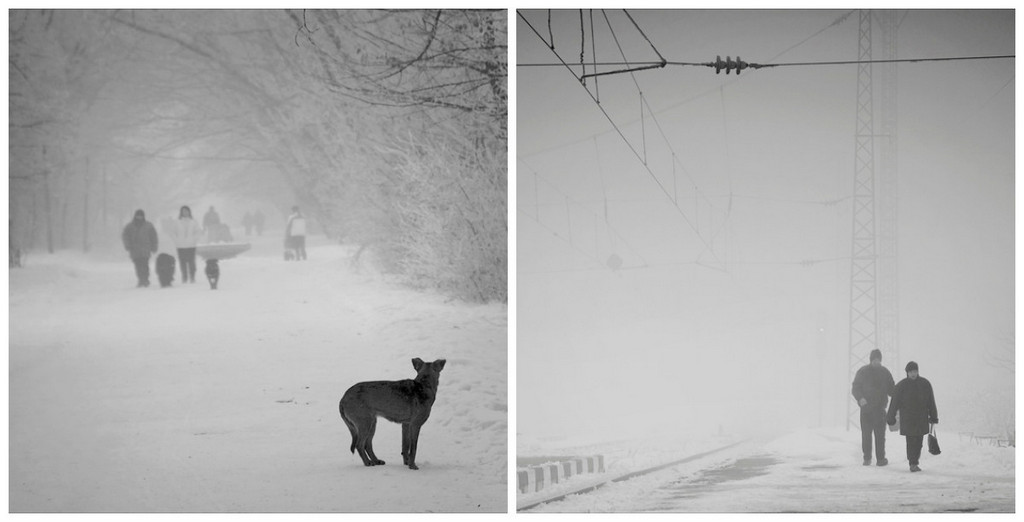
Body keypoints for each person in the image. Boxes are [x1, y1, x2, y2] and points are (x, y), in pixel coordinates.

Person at [886, 361, 938, 472]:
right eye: (911, 372)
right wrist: (890, 417)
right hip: (908, 418)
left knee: (919, 441)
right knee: (910, 441)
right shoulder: (901, 386)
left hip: (921, 418)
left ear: (918, 371)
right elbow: (894, 403)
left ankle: (915, 461)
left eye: (915, 371)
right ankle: (912, 463)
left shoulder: (925, 384)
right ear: (907, 373)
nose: (913, 374)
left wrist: (934, 416)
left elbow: (931, 402)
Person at [851, 348, 895, 466]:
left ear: (880, 360)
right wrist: (860, 398)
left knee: (880, 436)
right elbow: (855, 387)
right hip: (866, 410)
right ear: (870, 360)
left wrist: (899, 395)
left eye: (878, 360)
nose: (876, 362)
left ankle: (880, 459)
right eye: (874, 360)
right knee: (866, 435)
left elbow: (892, 389)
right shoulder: (863, 372)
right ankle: (867, 458)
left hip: (880, 409)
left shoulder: (885, 372)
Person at [121, 209, 158, 287]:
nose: (139, 217)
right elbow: (125, 236)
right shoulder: (130, 226)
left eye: (141, 215)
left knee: (145, 265)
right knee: (138, 266)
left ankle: (145, 279)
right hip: (134, 249)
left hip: (146, 249)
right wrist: (127, 245)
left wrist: (154, 246)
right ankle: (141, 280)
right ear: (135, 216)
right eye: (138, 215)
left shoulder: (149, 225)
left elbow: (153, 236)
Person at [171, 205, 203, 283]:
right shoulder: (177, 222)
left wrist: (194, 239)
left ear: (189, 212)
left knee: (191, 262)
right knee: (182, 263)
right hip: (180, 246)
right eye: (183, 211)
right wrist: (177, 240)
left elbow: (198, 232)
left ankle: (192, 277)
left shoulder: (194, 222)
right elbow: (173, 232)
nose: (185, 212)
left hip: (191, 245)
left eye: (186, 211)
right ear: (181, 212)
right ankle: (184, 277)